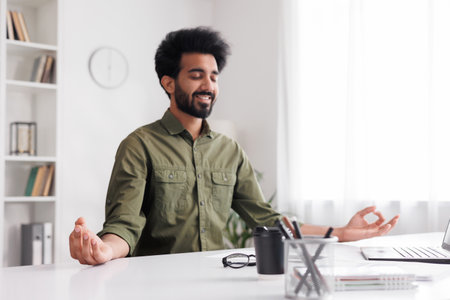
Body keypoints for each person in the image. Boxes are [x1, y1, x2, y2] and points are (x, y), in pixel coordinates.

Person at [69, 27, 399, 265]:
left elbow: (267, 220)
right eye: (196, 75)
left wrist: (339, 231)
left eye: (214, 76)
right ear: (168, 82)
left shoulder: (230, 150)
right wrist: (104, 250)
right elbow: (124, 225)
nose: (208, 85)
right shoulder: (139, 145)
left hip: (215, 276)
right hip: (156, 281)